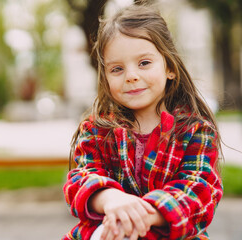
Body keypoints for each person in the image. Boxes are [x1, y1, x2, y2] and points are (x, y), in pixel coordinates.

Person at [62, 4, 223, 240]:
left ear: (169, 67)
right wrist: (112, 199)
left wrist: (143, 215)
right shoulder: (96, 130)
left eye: (144, 63)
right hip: (109, 231)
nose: (131, 76)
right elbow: (81, 178)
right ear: (105, 78)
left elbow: (198, 190)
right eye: (117, 69)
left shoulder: (194, 131)